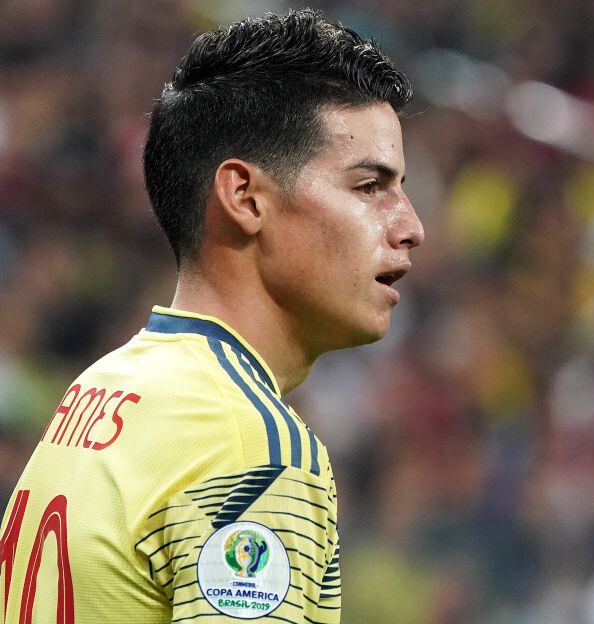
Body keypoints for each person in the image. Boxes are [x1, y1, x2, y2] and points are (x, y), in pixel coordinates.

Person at [0, 8, 422, 623]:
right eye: (368, 187)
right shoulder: (251, 442)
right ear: (245, 198)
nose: (410, 226)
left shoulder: (99, 390)